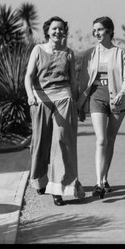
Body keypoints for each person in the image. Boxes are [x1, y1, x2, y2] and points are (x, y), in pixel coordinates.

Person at [24, 16, 85, 206]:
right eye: (54, 29)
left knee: (61, 142)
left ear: (64, 32)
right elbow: (29, 75)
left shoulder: (68, 53)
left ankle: (58, 188)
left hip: (64, 99)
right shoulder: (38, 50)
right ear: (47, 31)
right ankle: (40, 180)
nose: (57, 32)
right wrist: (30, 95)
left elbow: (73, 81)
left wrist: (78, 104)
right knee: (40, 142)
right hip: (41, 100)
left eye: (61, 29)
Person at [77, 16, 125, 199]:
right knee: (101, 140)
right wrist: (80, 104)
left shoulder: (120, 53)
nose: (97, 33)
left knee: (110, 139)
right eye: (95, 30)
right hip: (97, 98)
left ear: (109, 31)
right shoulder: (89, 54)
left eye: (100, 29)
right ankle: (99, 182)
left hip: (117, 99)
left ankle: (105, 177)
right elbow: (83, 81)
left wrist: (122, 93)